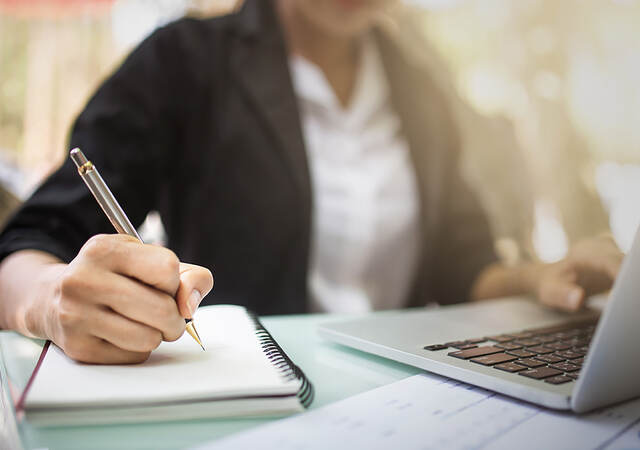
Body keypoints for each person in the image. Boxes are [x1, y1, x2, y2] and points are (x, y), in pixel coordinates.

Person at [0, 0, 623, 364]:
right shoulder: (184, 62)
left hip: (402, 400)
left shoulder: (421, 86)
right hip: (245, 398)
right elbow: (27, 245)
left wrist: (540, 280)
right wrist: (50, 300)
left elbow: (461, 265)